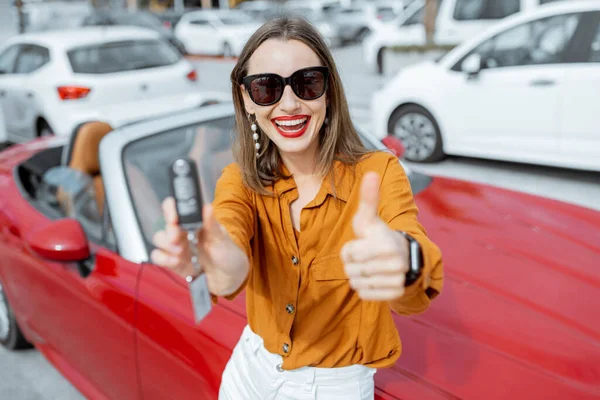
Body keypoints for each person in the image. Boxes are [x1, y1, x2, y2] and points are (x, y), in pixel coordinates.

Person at [150, 16, 444, 400]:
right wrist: (214, 255)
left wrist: (404, 258)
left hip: (332, 385)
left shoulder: (378, 171)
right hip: (249, 367)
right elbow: (227, 273)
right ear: (246, 99)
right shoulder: (238, 180)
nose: (289, 103)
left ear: (328, 92)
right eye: (266, 87)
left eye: (307, 83)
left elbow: (414, 262)